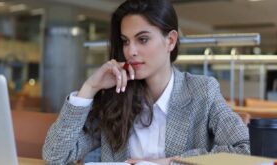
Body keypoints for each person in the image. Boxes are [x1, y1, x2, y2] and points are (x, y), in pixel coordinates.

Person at [42, 0, 250, 164]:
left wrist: (168, 163)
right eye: (125, 41)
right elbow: (55, 156)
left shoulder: (202, 91)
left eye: (142, 39)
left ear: (170, 40)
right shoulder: (116, 97)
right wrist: (89, 89)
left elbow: (244, 150)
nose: (130, 51)